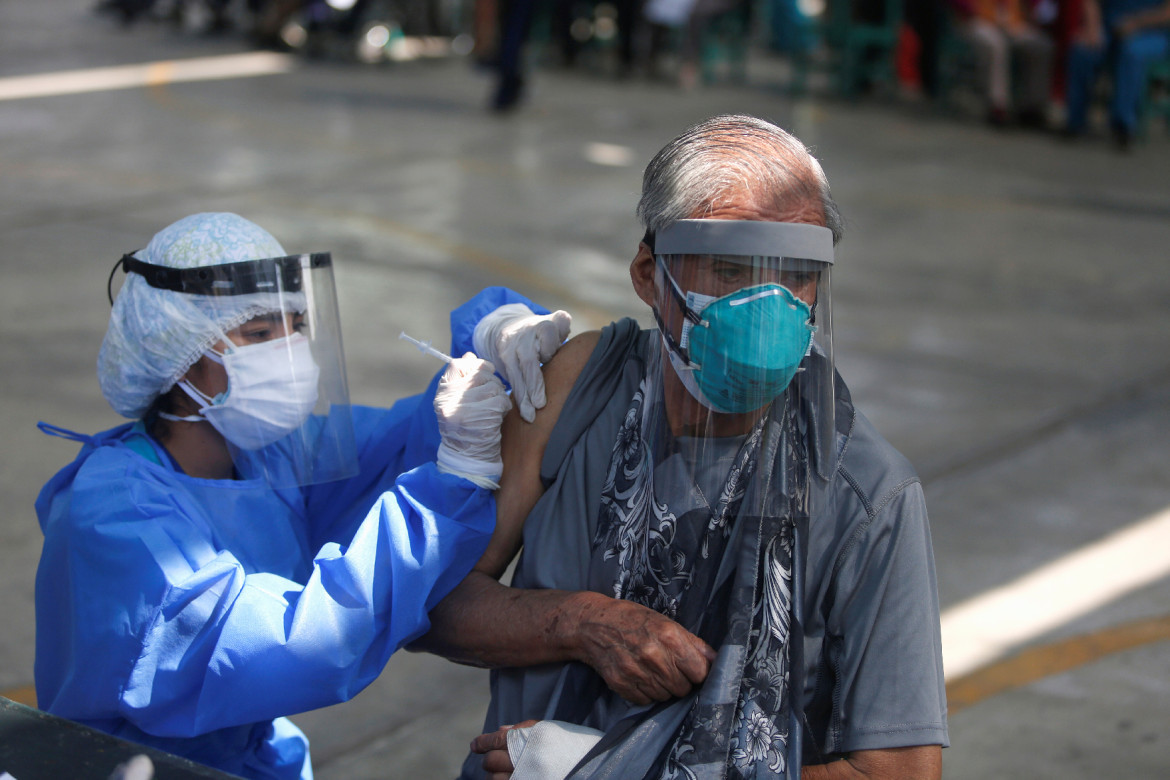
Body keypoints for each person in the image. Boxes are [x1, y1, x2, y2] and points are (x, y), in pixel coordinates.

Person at [418, 115, 948, 779]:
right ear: (648, 274)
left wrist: (627, 771)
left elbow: (898, 773)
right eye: (731, 270)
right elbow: (431, 606)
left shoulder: (866, 493)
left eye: (796, 277)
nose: (769, 308)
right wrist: (584, 623)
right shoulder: (579, 390)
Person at [33, 212, 571, 780]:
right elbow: (300, 646)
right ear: (177, 353)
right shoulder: (113, 518)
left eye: (296, 325)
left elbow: (398, 445)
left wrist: (494, 335)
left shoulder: (270, 457)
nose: (288, 352)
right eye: (260, 334)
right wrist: (454, 477)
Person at [1064, 0, 1170, 148]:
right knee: (1082, 51)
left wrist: (1136, 23)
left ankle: (1123, 125)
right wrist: (1093, 28)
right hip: (1110, 26)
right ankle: (1075, 122)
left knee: (1131, 53)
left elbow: (1167, 13)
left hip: (1151, 31)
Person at [951, 0, 1056, 126]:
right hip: (976, 20)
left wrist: (1032, 14)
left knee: (1041, 46)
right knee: (997, 44)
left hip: (1012, 20)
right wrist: (975, 11)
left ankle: (1033, 107)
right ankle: (998, 107)